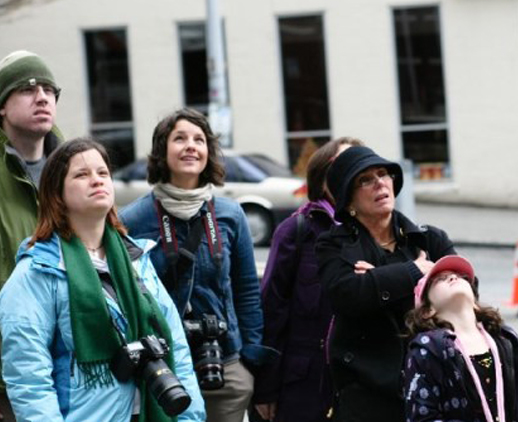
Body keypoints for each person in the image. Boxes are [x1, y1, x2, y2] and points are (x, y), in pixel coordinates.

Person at [0, 138, 205, 421]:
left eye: (103, 173)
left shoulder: (136, 259)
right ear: (56, 192)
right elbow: (28, 377)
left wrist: (190, 417)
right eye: (82, 175)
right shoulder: (38, 271)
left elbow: (176, 347)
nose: (96, 180)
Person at [120, 108, 270, 422]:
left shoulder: (230, 214)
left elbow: (246, 290)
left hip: (225, 365)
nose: (191, 146)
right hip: (165, 367)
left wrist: (250, 356)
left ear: (208, 153)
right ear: (162, 151)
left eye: (199, 140)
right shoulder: (133, 219)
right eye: (180, 139)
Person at [316, 146, 457, 422]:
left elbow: (464, 294)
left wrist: (377, 279)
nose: (380, 182)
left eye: (383, 174)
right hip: (368, 393)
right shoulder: (332, 245)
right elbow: (348, 295)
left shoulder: (431, 240)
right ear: (349, 202)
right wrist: (416, 272)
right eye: (365, 180)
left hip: (435, 382)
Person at [252, 136, 363, 422]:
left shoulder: (379, 230)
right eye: (340, 163)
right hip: (305, 387)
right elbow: (272, 311)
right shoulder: (296, 230)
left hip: (363, 384)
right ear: (321, 175)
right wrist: (266, 389)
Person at [405, 255, 518, 422]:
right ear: (427, 311)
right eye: (440, 280)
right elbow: (423, 417)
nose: (452, 277)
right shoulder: (427, 349)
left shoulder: (504, 339)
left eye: (460, 277)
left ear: (474, 301)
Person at [0, 50, 64, 421]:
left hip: (75, 366)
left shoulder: (77, 169)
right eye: (27, 88)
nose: (42, 96)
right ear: (2, 107)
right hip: (10, 369)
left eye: (49, 89)